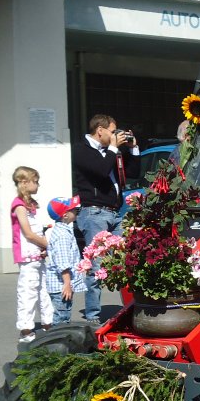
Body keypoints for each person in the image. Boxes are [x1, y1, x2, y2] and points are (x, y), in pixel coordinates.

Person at [73, 113, 139, 323]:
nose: (115, 136)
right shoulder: (81, 149)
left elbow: (134, 172)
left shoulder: (113, 151)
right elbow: (101, 171)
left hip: (115, 212)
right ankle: (93, 316)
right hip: (94, 212)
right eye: (112, 132)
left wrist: (132, 148)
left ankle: (131, 308)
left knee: (125, 260)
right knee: (96, 266)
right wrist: (112, 148)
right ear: (99, 130)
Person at [10, 166, 52, 343]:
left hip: (37, 255)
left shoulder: (31, 205)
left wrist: (44, 247)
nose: (38, 184)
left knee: (44, 290)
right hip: (28, 257)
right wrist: (48, 245)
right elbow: (28, 233)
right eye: (35, 181)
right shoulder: (19, 205)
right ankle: (25, 329)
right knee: (28, 292)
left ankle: (48, 323)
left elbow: (36, 230)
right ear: (24, 183)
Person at [44, 196, 87, 323]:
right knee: (62, 318)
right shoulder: (63, 235)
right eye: (73, 209)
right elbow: (63, 263)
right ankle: (57, 340)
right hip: (61, 285)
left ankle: (58, 338)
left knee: (63, 315)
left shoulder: (62, 231)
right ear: (65, 215)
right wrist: (67, 284)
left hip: (61, 284)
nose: (76, 210)